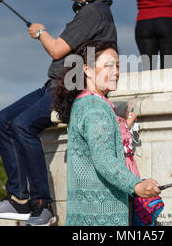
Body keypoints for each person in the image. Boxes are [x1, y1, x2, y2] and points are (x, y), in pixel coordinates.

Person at [0, 0, 118, 226]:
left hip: (69, 88)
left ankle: (42, 205)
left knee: (22, 125)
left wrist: (40, 31)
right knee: (1, 121)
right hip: (55, 84)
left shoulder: (93, 13)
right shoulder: (93, 11)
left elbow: (56, 49)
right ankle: (18, 198)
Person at [52, 39, 161, 226]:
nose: (116, 72)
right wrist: (135, 185)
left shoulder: (85, 103)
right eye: (108, 66)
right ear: (87, 69)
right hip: (101, 219)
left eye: (118, 66)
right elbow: (104, 159)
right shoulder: (95, 107)